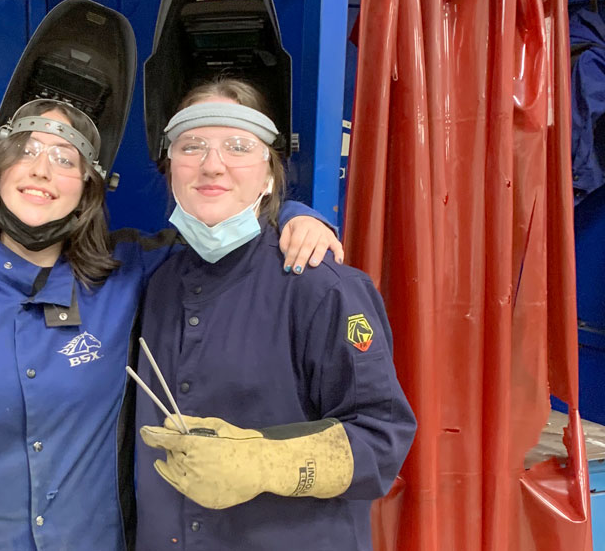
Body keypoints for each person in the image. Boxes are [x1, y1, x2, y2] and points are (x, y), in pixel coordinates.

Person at [0, 83, 341, 547]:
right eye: (27, 151)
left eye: (65, 159)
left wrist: (294, 214)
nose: (41, 169)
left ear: (88, 187)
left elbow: (221, 225)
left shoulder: (129, 275)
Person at [135, 79, 416, 551]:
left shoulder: (320, 285)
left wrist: (267, 464)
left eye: (238, 146)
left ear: (268, 174)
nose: (211, 164)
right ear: (171, 170)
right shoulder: (157, 281)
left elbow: (382, 438)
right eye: (192, 145)